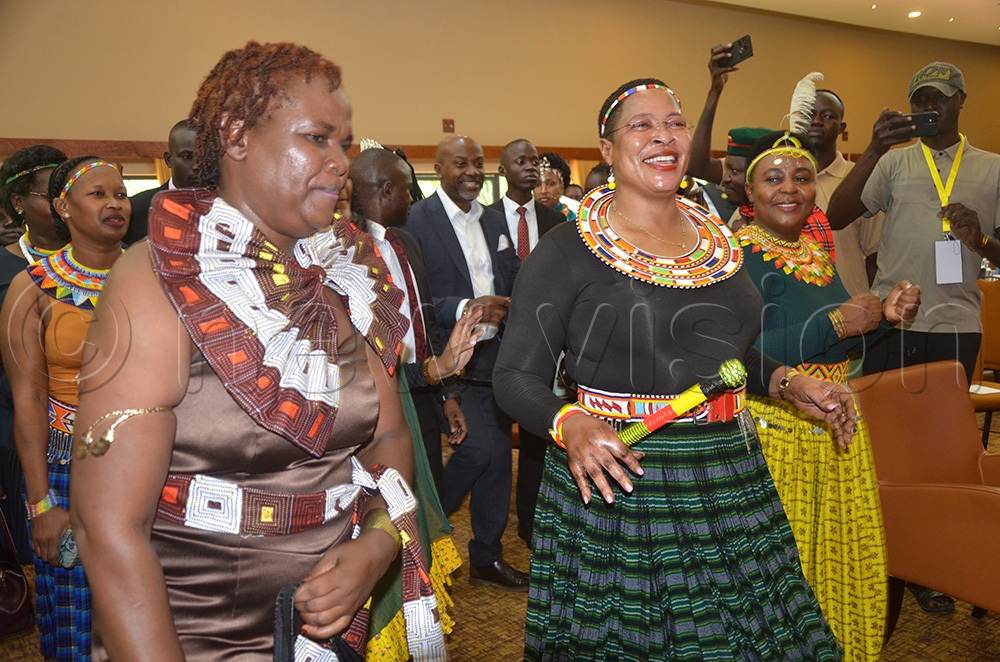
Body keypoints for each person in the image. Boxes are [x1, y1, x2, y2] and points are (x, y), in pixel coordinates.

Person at [70, 41, 444, 661]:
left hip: (324, 629)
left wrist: (377, 544)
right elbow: (108, 528)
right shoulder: (157, 277)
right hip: (189, 630)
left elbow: (387, 438)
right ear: (236, 135)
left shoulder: (342, 265)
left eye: (343, 143)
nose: (340, 162)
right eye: (317, 138)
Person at [494, 77, 852, 660]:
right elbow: (513, 378)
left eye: (674, 123)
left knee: (759, 640)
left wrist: (787, 381)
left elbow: (713, 352)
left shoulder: (718, 238)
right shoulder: (566, 250)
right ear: (606, 149)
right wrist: (571, 424)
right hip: (626, 479)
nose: (662, 136)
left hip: (731, 472)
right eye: (641, 124)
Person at [737, 131, 920, 661]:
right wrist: (837, 322)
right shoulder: (735, 257)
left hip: (833, 429)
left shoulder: (815, 253)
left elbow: (845, 340)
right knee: (783, 571)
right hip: (776, 434)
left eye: (801, 177)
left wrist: (884, 321)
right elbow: (741, 355)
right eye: (773, 178)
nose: (790, 188)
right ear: (750, 192)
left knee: (830, 561)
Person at [1, 155, 130, 661]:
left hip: (156, 473)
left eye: (119, 193)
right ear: (63, 206)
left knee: (152, 614)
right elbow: (27, 401)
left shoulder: (158, 277)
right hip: (65, 474)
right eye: (98, 194)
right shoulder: (29, 288)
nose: (115, 203)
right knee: (77, 625)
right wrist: (41, 505)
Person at [827, 61, 1000, 389]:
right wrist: (874, 149)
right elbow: (835, 217)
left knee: (942, 431)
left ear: (961, 99)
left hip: (954, 326)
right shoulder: (892, 162)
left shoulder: (994, 168)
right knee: (885, 431)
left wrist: (979, 241)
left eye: (940, 98)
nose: (930, 106)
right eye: (921, 101)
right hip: (889, 323)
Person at [405, 135, 528, 591]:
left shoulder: (494, 219)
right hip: (446, 363)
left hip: (496, 358)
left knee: (497, 462)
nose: (473, 171)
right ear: (438, 168)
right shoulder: (418, 220)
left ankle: (486, 556)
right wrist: (467, 308)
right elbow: (415, 300)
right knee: (481, 452)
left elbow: (514, 275)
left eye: (479, 163)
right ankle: (419, 529)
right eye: (461, 163)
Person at [349, 146, 477, 493]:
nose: (413, 197)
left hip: (423, 391)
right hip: (377, 402)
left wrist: (447, 395)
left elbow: (427, 324)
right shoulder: (347, 251)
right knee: (387, 501)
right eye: (408, 188)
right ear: (387, 190)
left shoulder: (407, 243)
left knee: (427, 492)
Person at [488, 138, 564, 543]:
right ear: (502, 170)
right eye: (521, 161)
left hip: (548, 346)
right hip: (495, 345)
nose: (532, 167)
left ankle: (531, 525)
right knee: (497, 450)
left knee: (538, 435)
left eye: (535, 161)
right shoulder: (484, 221)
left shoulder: (556, 224)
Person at [0, 145, 69, 565]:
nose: (63, 203)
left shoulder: (111, 263)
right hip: (15, 438)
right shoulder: (6, 274)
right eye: (50, 193)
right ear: (19, 203)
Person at [802, 89, 883, 297]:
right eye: (809, 114)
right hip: (798, 305)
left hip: (851, 306)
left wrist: (876, 309)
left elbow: (875, 254)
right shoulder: (782, 178)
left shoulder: (860, 177)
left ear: (841, 128)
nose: (817, 121)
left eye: (828, 116)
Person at [124, 119, 197, 244]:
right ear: (168, 159)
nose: (197, 165)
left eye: (204, 157)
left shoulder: (228, 208)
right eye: (187, 157)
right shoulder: (137, 209)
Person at [534, 151, 577, 221]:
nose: (543, 191)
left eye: (550, 184)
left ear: (561, 187)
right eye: (537, 185)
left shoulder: (572, 219)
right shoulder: (527, 218)